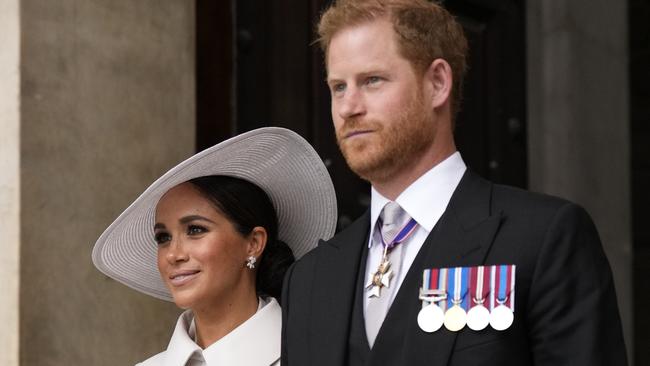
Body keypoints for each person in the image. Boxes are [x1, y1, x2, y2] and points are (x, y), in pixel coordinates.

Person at [280, 1, 628, 365]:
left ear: (437, 83)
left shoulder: (543, 240)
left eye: (372, 81)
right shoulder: (308, 280)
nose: (348, 107)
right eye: (338, 87)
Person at [92, 127, 337, 365]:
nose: (173, 254)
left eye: (195, 230)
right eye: (163, 237)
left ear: (253, 243)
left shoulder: (316, 357)